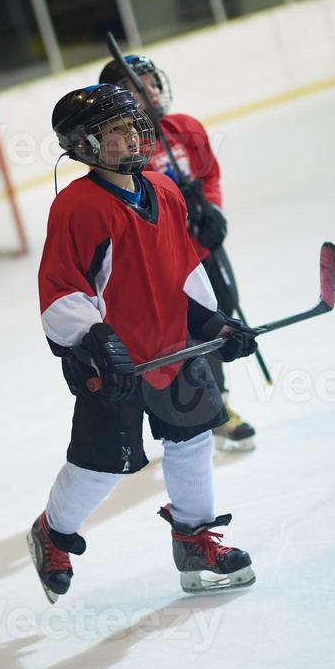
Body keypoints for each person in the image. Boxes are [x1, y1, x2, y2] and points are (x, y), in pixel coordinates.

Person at [27, 82, 258, 604]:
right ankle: (52, 533)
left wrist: (215, 325)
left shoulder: (165, 189)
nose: (131, 138)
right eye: (114, 132)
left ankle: (195, 542)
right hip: (113, 363)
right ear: (84, 144)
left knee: (193, 439)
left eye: (133, 127)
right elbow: (61, 288)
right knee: (103, 462)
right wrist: (94, 338)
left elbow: (182, 269)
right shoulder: (78, 207)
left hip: (174, 349)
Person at [99, 55, 256, 453]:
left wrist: (212, 211)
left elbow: (209, 176)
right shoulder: (122, 150)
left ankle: (218, 405)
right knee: (175, 334)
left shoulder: (183, 128)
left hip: (202, 250)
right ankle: (178, 410)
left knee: (217, 320)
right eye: (139, 85)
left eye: (152, 82)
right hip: (163, 264)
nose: (149, 91)